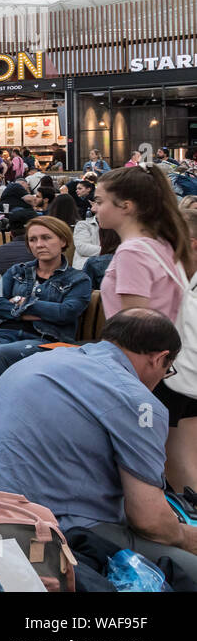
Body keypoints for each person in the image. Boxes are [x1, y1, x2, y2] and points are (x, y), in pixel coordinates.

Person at [0, 309, 197, 581]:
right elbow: (150, 521)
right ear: (158, 359)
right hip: (42, 529)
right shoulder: (137, 400)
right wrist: (185, 536)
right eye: (167, 371)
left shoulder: (37, 360)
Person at [94, 163, 197, 489]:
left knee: (161, 467)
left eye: (100, 201)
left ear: (126, 206)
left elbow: (135, 328)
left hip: (152, 369)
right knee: (184, 465)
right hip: (179, 365)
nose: (95, 208)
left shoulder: (133, 252)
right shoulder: (164, 245)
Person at [0, 216, 92, 407]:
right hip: (3, 334)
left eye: (46, 238)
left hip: (47, 341)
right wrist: (38, 309)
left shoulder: (78, 280)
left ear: (63, 241)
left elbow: (66, 312)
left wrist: (23, 304)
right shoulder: (17, 271)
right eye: (33, 240)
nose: (39, 244)